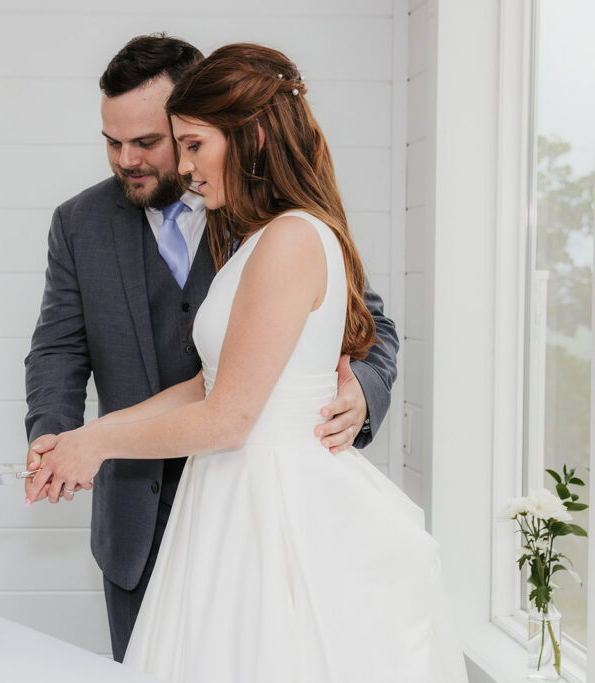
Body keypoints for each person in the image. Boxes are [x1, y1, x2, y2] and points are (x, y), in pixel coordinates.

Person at [25, 43, 468, 682]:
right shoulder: (81, 222)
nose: (134, 160)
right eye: (113, 143)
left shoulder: (278, 229)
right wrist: (67, 440)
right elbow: (65, 350)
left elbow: (361, 328)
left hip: (266, 510)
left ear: (239, 133)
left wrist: (359, 392)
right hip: (147, 522)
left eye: (161, 142)